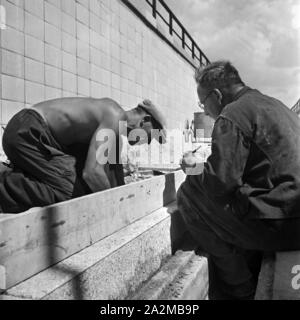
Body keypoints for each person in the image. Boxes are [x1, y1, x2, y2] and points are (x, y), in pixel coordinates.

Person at [178, 61, 300, 300]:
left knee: (189, 192)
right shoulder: (276, 106)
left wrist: (194, 168)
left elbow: (219, 185)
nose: (205, 111)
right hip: (292, 212)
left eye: (204, 104)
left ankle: (239, 286)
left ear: (216, 95)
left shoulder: (232, 114)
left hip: (283, 227)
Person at [0, 98, 166, 214]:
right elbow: (92, 173)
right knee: (69, 191)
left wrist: (126, 202)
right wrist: (114, 207)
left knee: (80, 185)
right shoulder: (115, 116)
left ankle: (21, 175)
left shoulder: (115, 135)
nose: (146, 142)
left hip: (37, 137)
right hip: (27, 132)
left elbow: (113, 177)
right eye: (150, 137)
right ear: (145, 120)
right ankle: (5, 185)